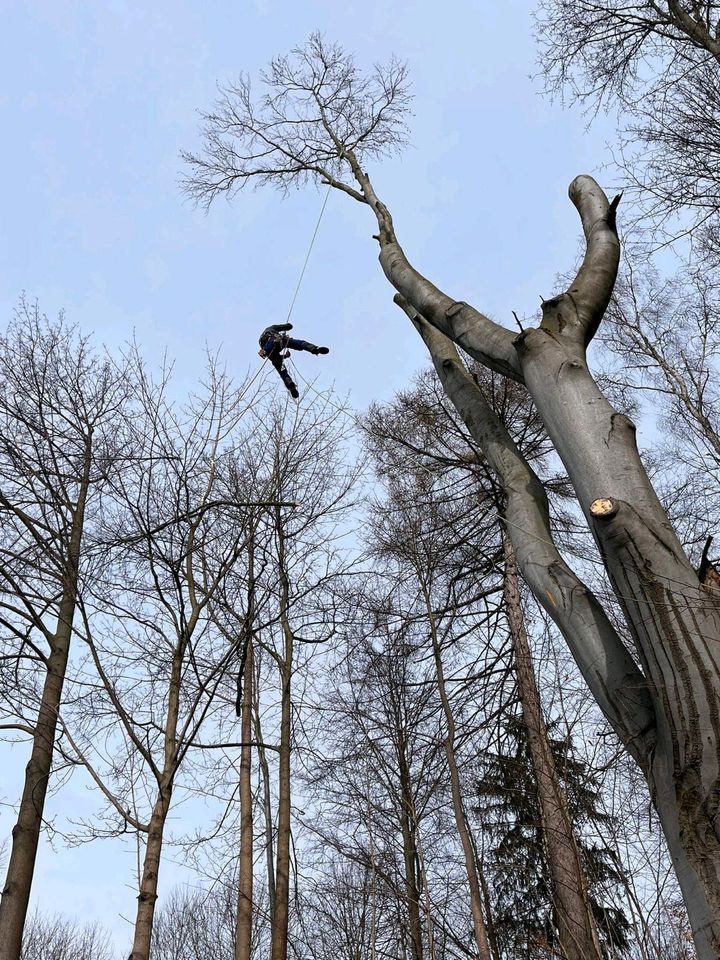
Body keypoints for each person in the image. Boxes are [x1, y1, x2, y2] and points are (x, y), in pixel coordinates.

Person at [258, 323, 329, 399]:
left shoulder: (263, 339)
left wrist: (285, 356)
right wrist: (288, 326)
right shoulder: (272, 328)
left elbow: (277, 357)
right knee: (297, 343)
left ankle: (289, 383)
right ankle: (315, 349)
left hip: (269, 350)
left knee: (280, 368)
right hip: (275, 340)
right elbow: (289, 326)